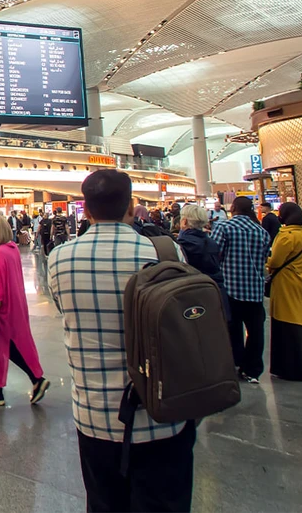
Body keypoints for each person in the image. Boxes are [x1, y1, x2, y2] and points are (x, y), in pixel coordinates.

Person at [48, 170, 196, 512]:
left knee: (104, 502)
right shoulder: (166, 252)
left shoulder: (60, 259)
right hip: (163, 412)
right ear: (131, 206)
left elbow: (64, 310)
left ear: (86, 210)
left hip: (95, 415)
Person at [0, 215, 49, 406]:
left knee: (3, 346)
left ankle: (34, 379)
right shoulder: (10, 249)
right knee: (3, 346)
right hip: (10, 306)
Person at [211, 196, 271, 384]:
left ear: (233, 208)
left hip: (231, 287)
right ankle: (253, 370)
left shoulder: (224, 227)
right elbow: (265, 257)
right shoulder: (261, 231)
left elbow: (215, 253)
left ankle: (236, 363)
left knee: (233, 329)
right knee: (256, 332)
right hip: (254, 289)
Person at [267, 203, 302, 381]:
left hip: (285, 282)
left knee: (286, 320)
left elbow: (275, 262)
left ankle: (290, 368)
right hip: (300, 280)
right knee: (301, 318)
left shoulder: (286, 236)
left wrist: (265, 261)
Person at [176, 203, 228, 317]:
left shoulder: (184, 244)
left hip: (194, 298)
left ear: (184, 221)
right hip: (216, 294)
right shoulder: (211, 242)